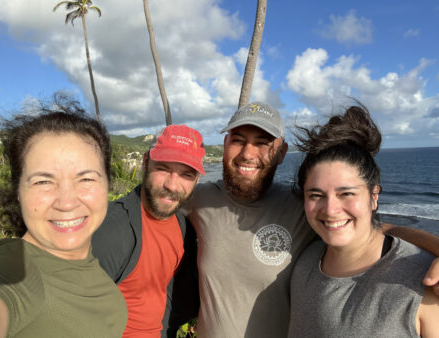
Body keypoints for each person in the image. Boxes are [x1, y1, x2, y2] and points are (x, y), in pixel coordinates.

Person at [183, 101, 439, 338]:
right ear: (225, 144)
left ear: (282, 152)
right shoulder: (199, 199)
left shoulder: (301, 206)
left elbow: (375, 229)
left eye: (262, 142)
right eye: (238, 140)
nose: (247, 153)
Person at [288, 105, 439, 337]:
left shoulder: (423, 282)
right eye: (316, 195)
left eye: (346, 193)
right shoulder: (304, 261)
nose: (330, 209)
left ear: (373, 196)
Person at [0, 98, 127, 338]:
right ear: (18, 192)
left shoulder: (88, 263)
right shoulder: (14, 267)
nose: (66, 202)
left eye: (86, 179)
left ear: (107, 184)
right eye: (43, 181)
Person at [92, 124, 203, 337]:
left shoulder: (182, 226)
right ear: (145, 163)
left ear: (197, 180)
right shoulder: (112, 230)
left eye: (186, 174)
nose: (172, 185)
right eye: (163, 169)